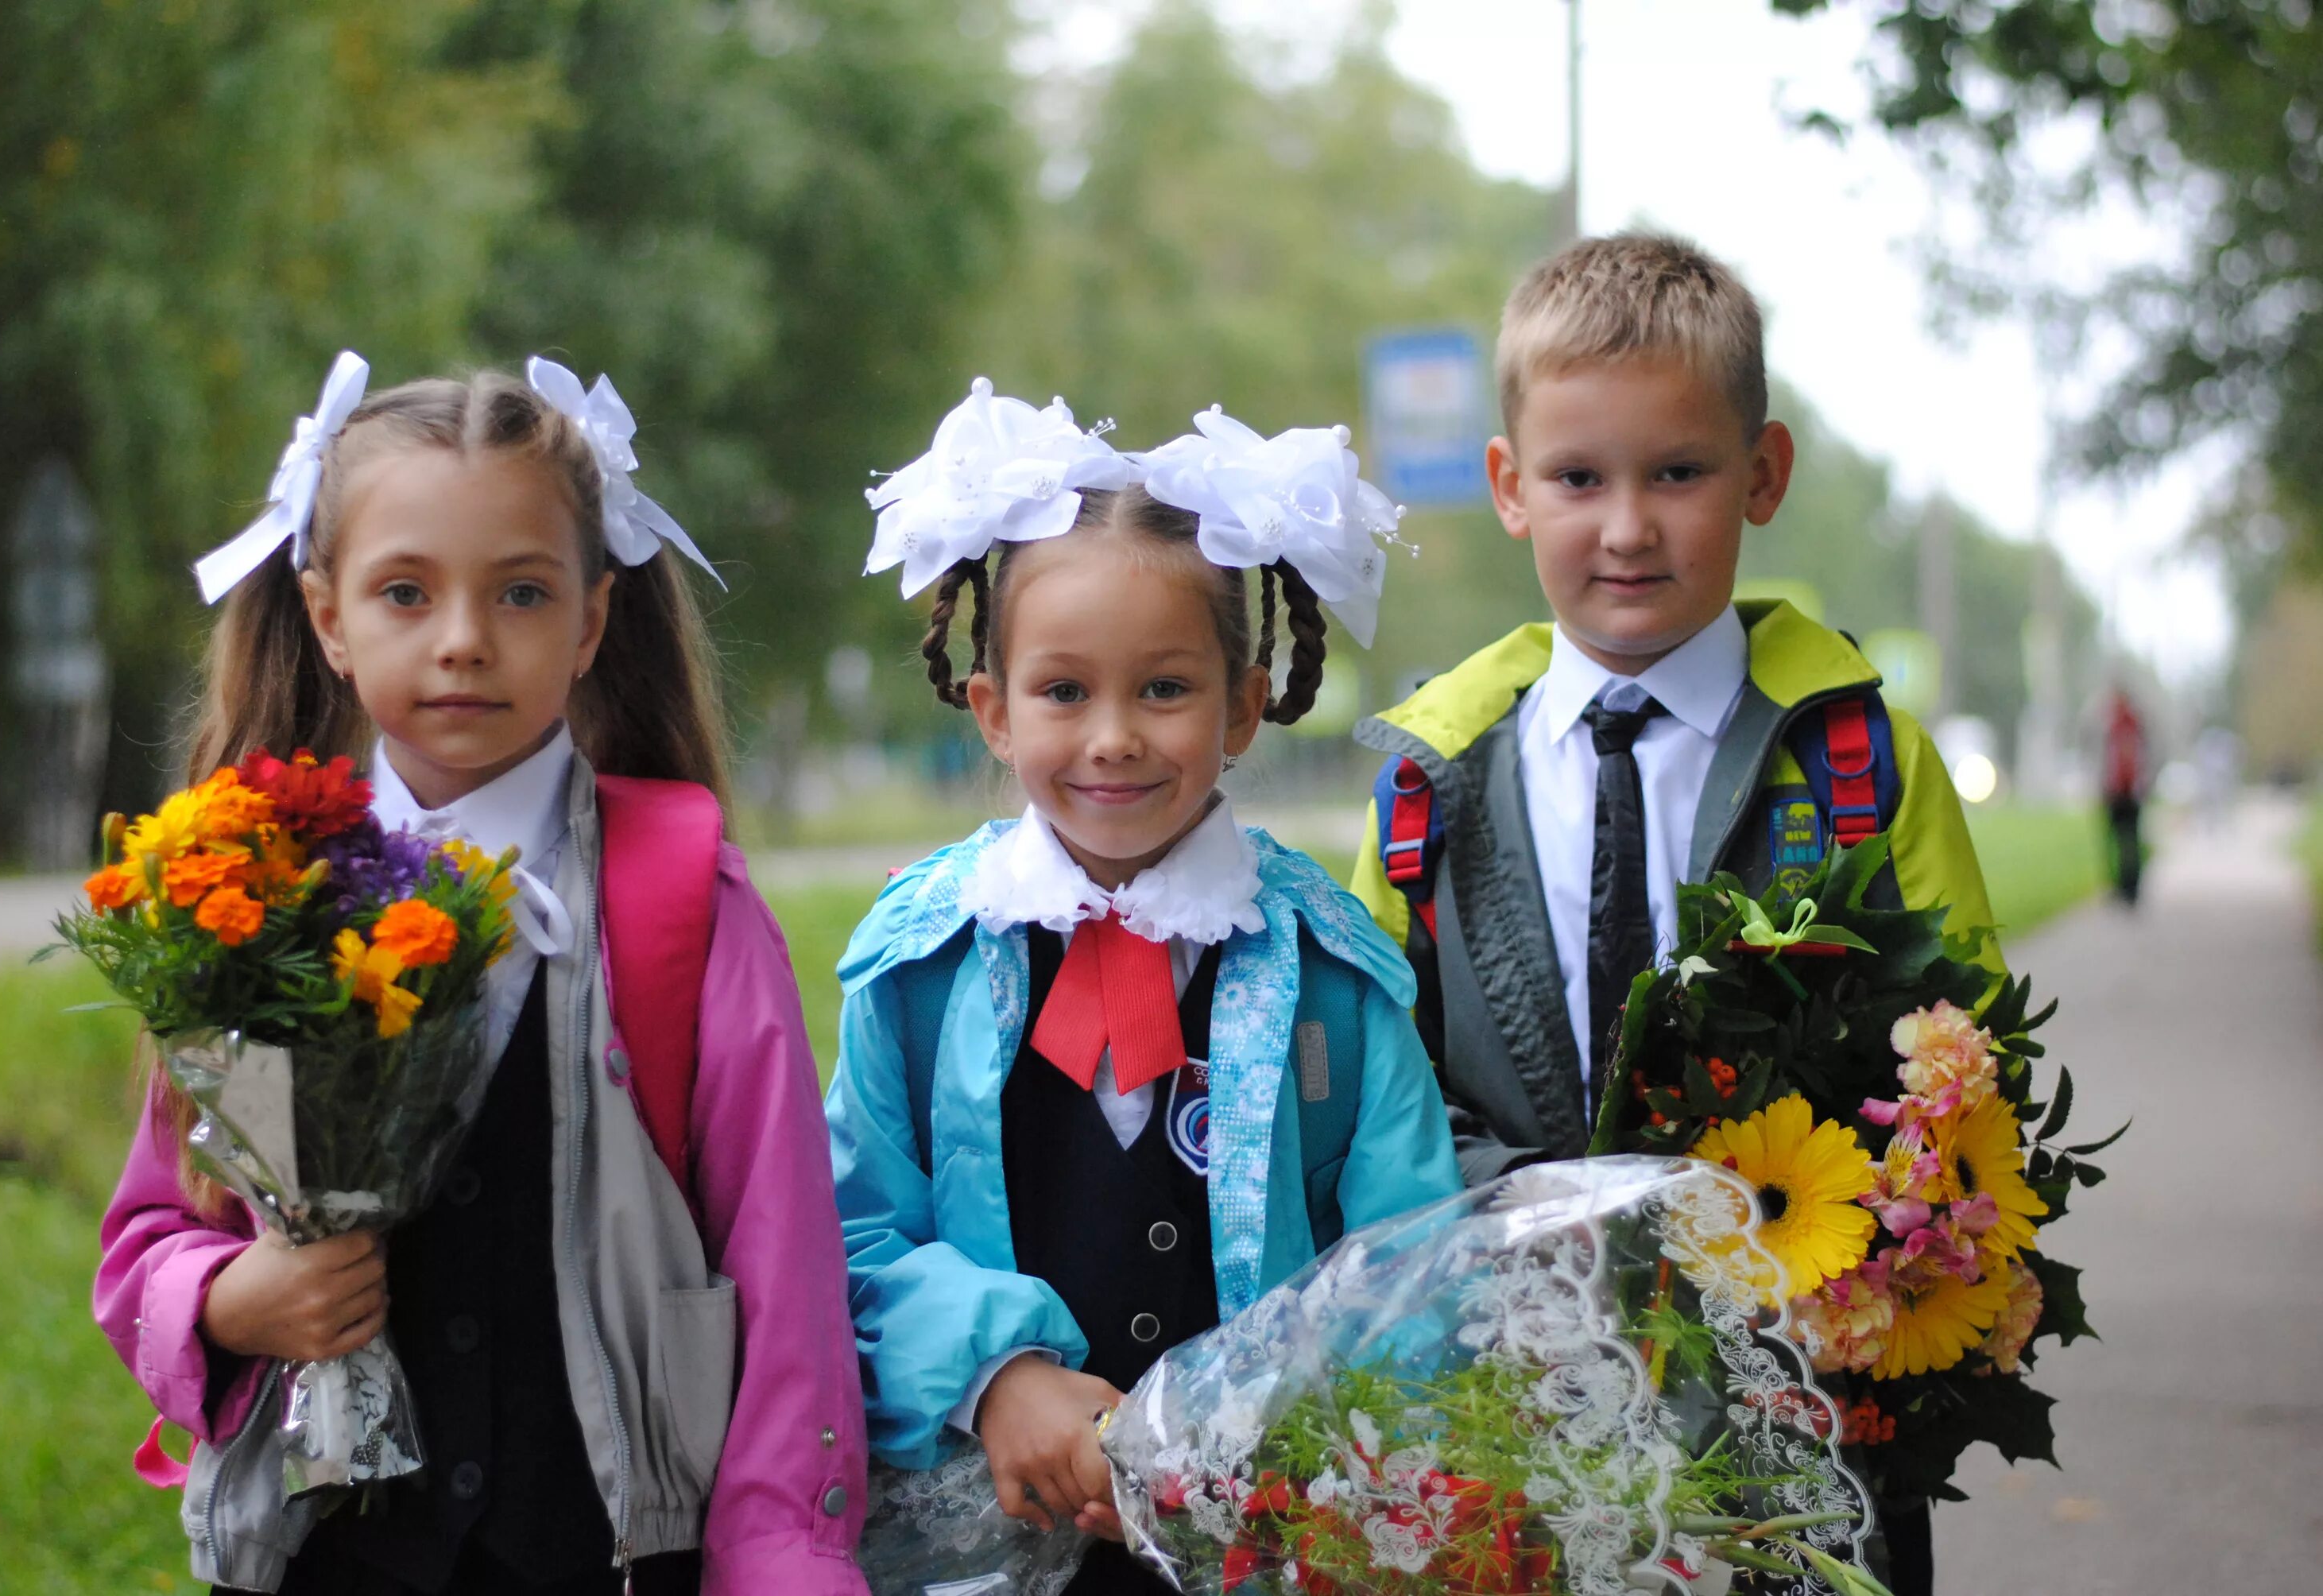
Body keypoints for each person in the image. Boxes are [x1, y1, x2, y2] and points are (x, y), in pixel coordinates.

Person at [93, 354, 869, 1594]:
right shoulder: (252, 899)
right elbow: (151, 1236)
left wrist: (784, 1562)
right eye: (405, 592)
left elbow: (786, 1274)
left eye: (519, 593)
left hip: (612, 1553)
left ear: (591, 622)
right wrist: (239, 1298)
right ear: (330, 618)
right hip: (335, 1553)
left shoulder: (682, 897)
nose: (462, 642)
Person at [1346, 233, 2003, 1596]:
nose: (1629, 526)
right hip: (1515, 1425)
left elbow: (1972, 1062)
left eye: (1680, 473)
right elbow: (1372, 1087)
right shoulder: (1430, 788)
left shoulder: (1866, 765)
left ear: (1761, 475)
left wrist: (1876, 1264)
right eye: (1581, 478)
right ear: (1509, 486)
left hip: (1806, 1447)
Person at [828, 383, 1462, 1594]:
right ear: (993, 711)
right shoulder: (915, 970)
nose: (1113, 736)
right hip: (986, 1546)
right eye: (1065, 692)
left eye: (1163, 690)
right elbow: (847, 1230)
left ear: (1242, 706)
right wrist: (995, 1377)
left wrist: (1273, 1452)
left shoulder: (1336, 982)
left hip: (1261, 1544)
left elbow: (1410, 1275)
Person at [2100, 688, 2151, 902]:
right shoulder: (2110, 728)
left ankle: (2132, 886)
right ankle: (2119, 885)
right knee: (2115, 841)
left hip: (2131, 792)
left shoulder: (2134, 727)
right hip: (2115, 792)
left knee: (2130, 841)